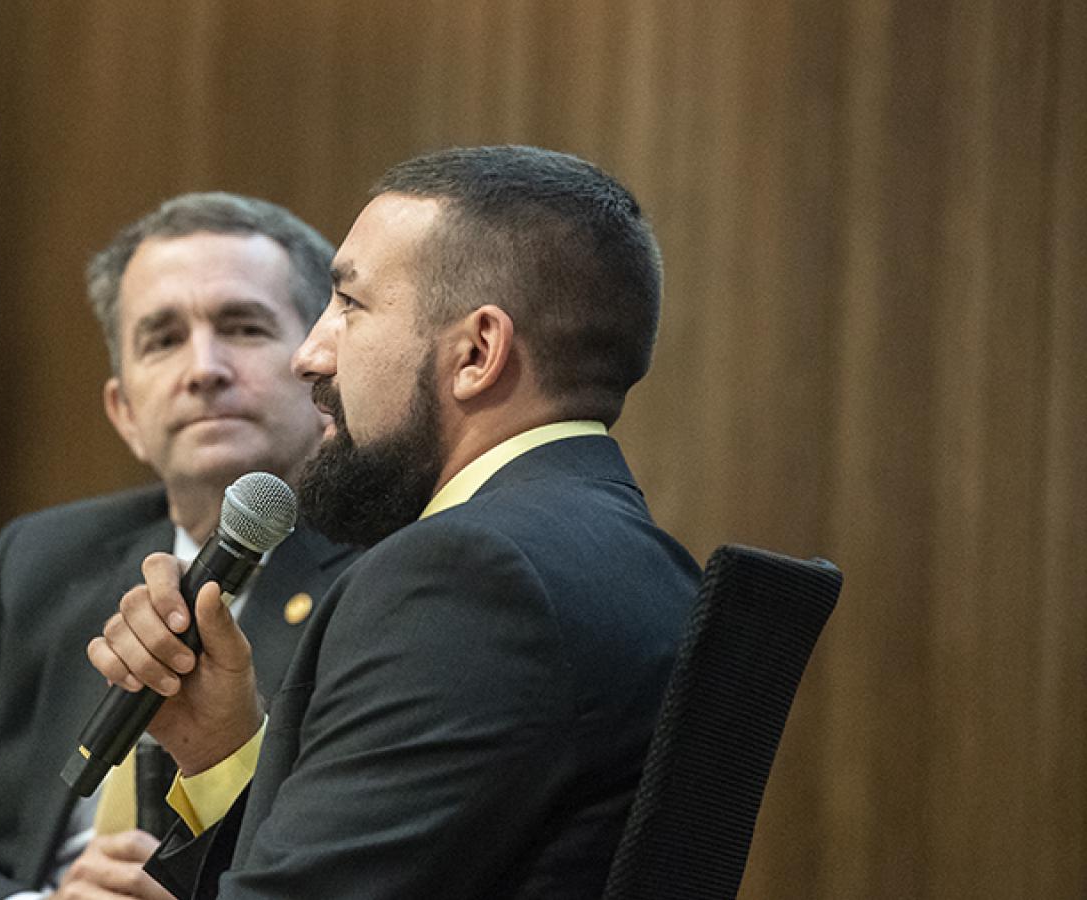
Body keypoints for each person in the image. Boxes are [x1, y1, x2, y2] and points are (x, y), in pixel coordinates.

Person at [89, 146, 703, 899]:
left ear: (477, 352)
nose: (309, 355)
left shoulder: (468, 577)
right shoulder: (642, 560)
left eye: (348, 304)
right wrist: (222, 752)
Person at [0, 193, 359, 900]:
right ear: (125, 413)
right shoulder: (43, 563)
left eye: (244, 327)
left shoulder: (386, 575)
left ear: (322, 374)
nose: (204, 368)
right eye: (162, 340)